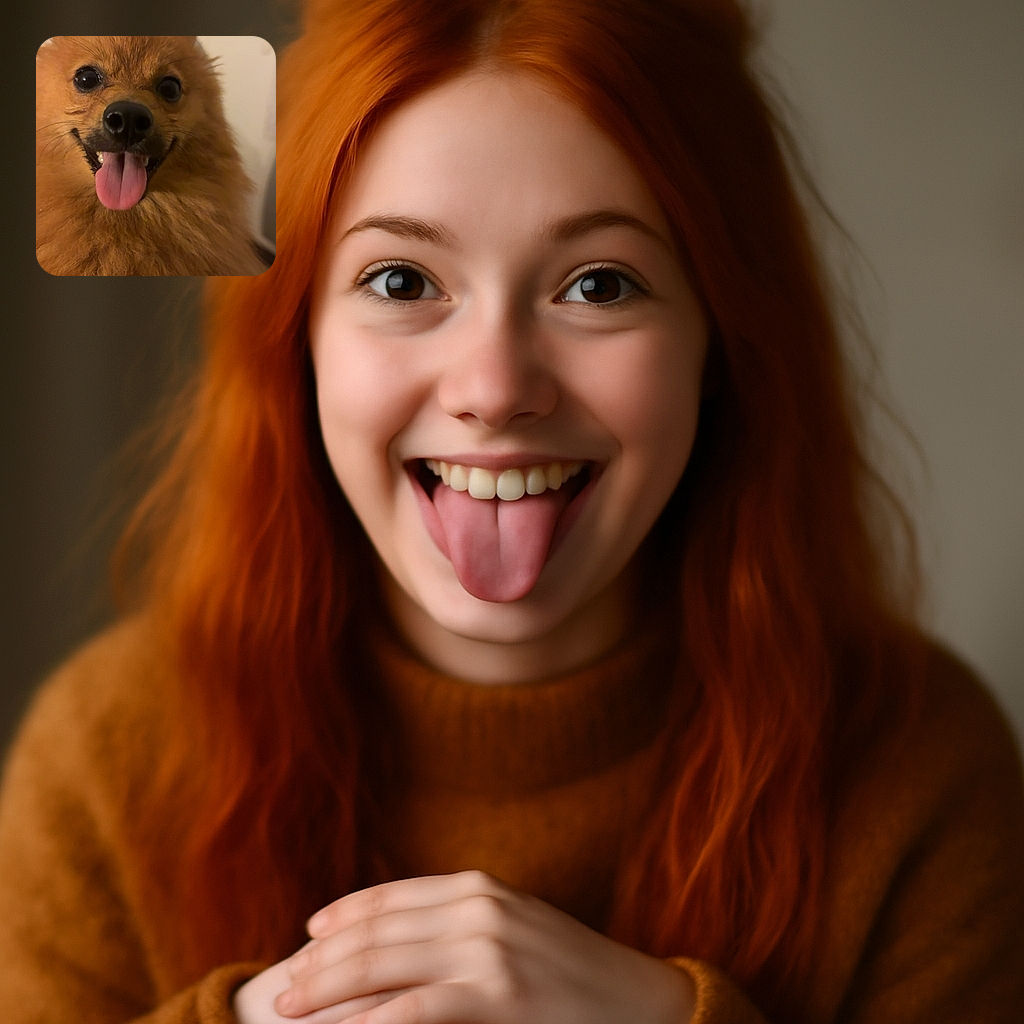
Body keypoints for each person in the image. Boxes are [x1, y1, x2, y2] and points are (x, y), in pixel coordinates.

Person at [2, 0, 1022, 1021]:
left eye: (597, 285)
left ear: (720, 339)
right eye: (400, 279)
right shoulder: (104, 764)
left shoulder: (918, 772)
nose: (493, 386)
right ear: (296, 342)